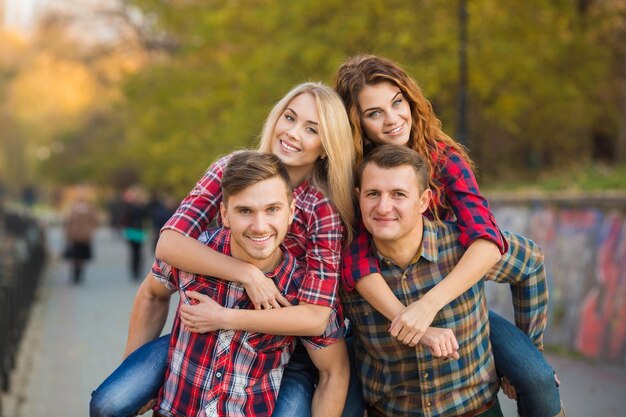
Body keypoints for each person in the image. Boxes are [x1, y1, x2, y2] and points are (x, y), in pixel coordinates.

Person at [90, 82, 359, 417]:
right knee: (111, 402)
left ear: (325, 146)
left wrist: (227, 316)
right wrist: (247, 274)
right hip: (213, 320)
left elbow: (317, 317)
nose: (292, 133)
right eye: (289, 118)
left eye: (311, 129)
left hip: (285, 342)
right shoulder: (232, 169)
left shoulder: (321, 210)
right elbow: (169, 243)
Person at [334, 55, 564, 417]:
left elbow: (487, 239)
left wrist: (429, 306)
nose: (393, 119)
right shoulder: (355, 176)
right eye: (374, 113)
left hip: (453, 298)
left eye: (397, 103)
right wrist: (409, 319)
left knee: (536, 377)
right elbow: (357, 260)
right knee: (340, 400)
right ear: (357, 122)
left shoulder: (443, 158)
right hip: (380, 305)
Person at [343, 144, 548, 416]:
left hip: (476, 409)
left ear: (424, 201)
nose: (383, 206)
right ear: (358, 197)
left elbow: (531, 263)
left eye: (398, 195)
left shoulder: (464, 250)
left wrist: (529, 351)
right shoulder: (348, 270)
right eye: (372, 194)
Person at [63, 187, 99, 284]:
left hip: (83, 236)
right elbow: (68, 222)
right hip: (77, 236)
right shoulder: (74, 208)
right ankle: (76, 274)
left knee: (80, 256)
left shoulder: (85, 209)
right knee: (76, 256)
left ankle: (78, 274)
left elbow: (95, 221)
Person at [121, 185, 149, 280]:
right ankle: (135, 272)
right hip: (134, 230)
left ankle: (136, 272)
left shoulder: (136, 206)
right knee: (136, 253)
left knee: (137, 253)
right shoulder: (132, 206)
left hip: (136, 230)